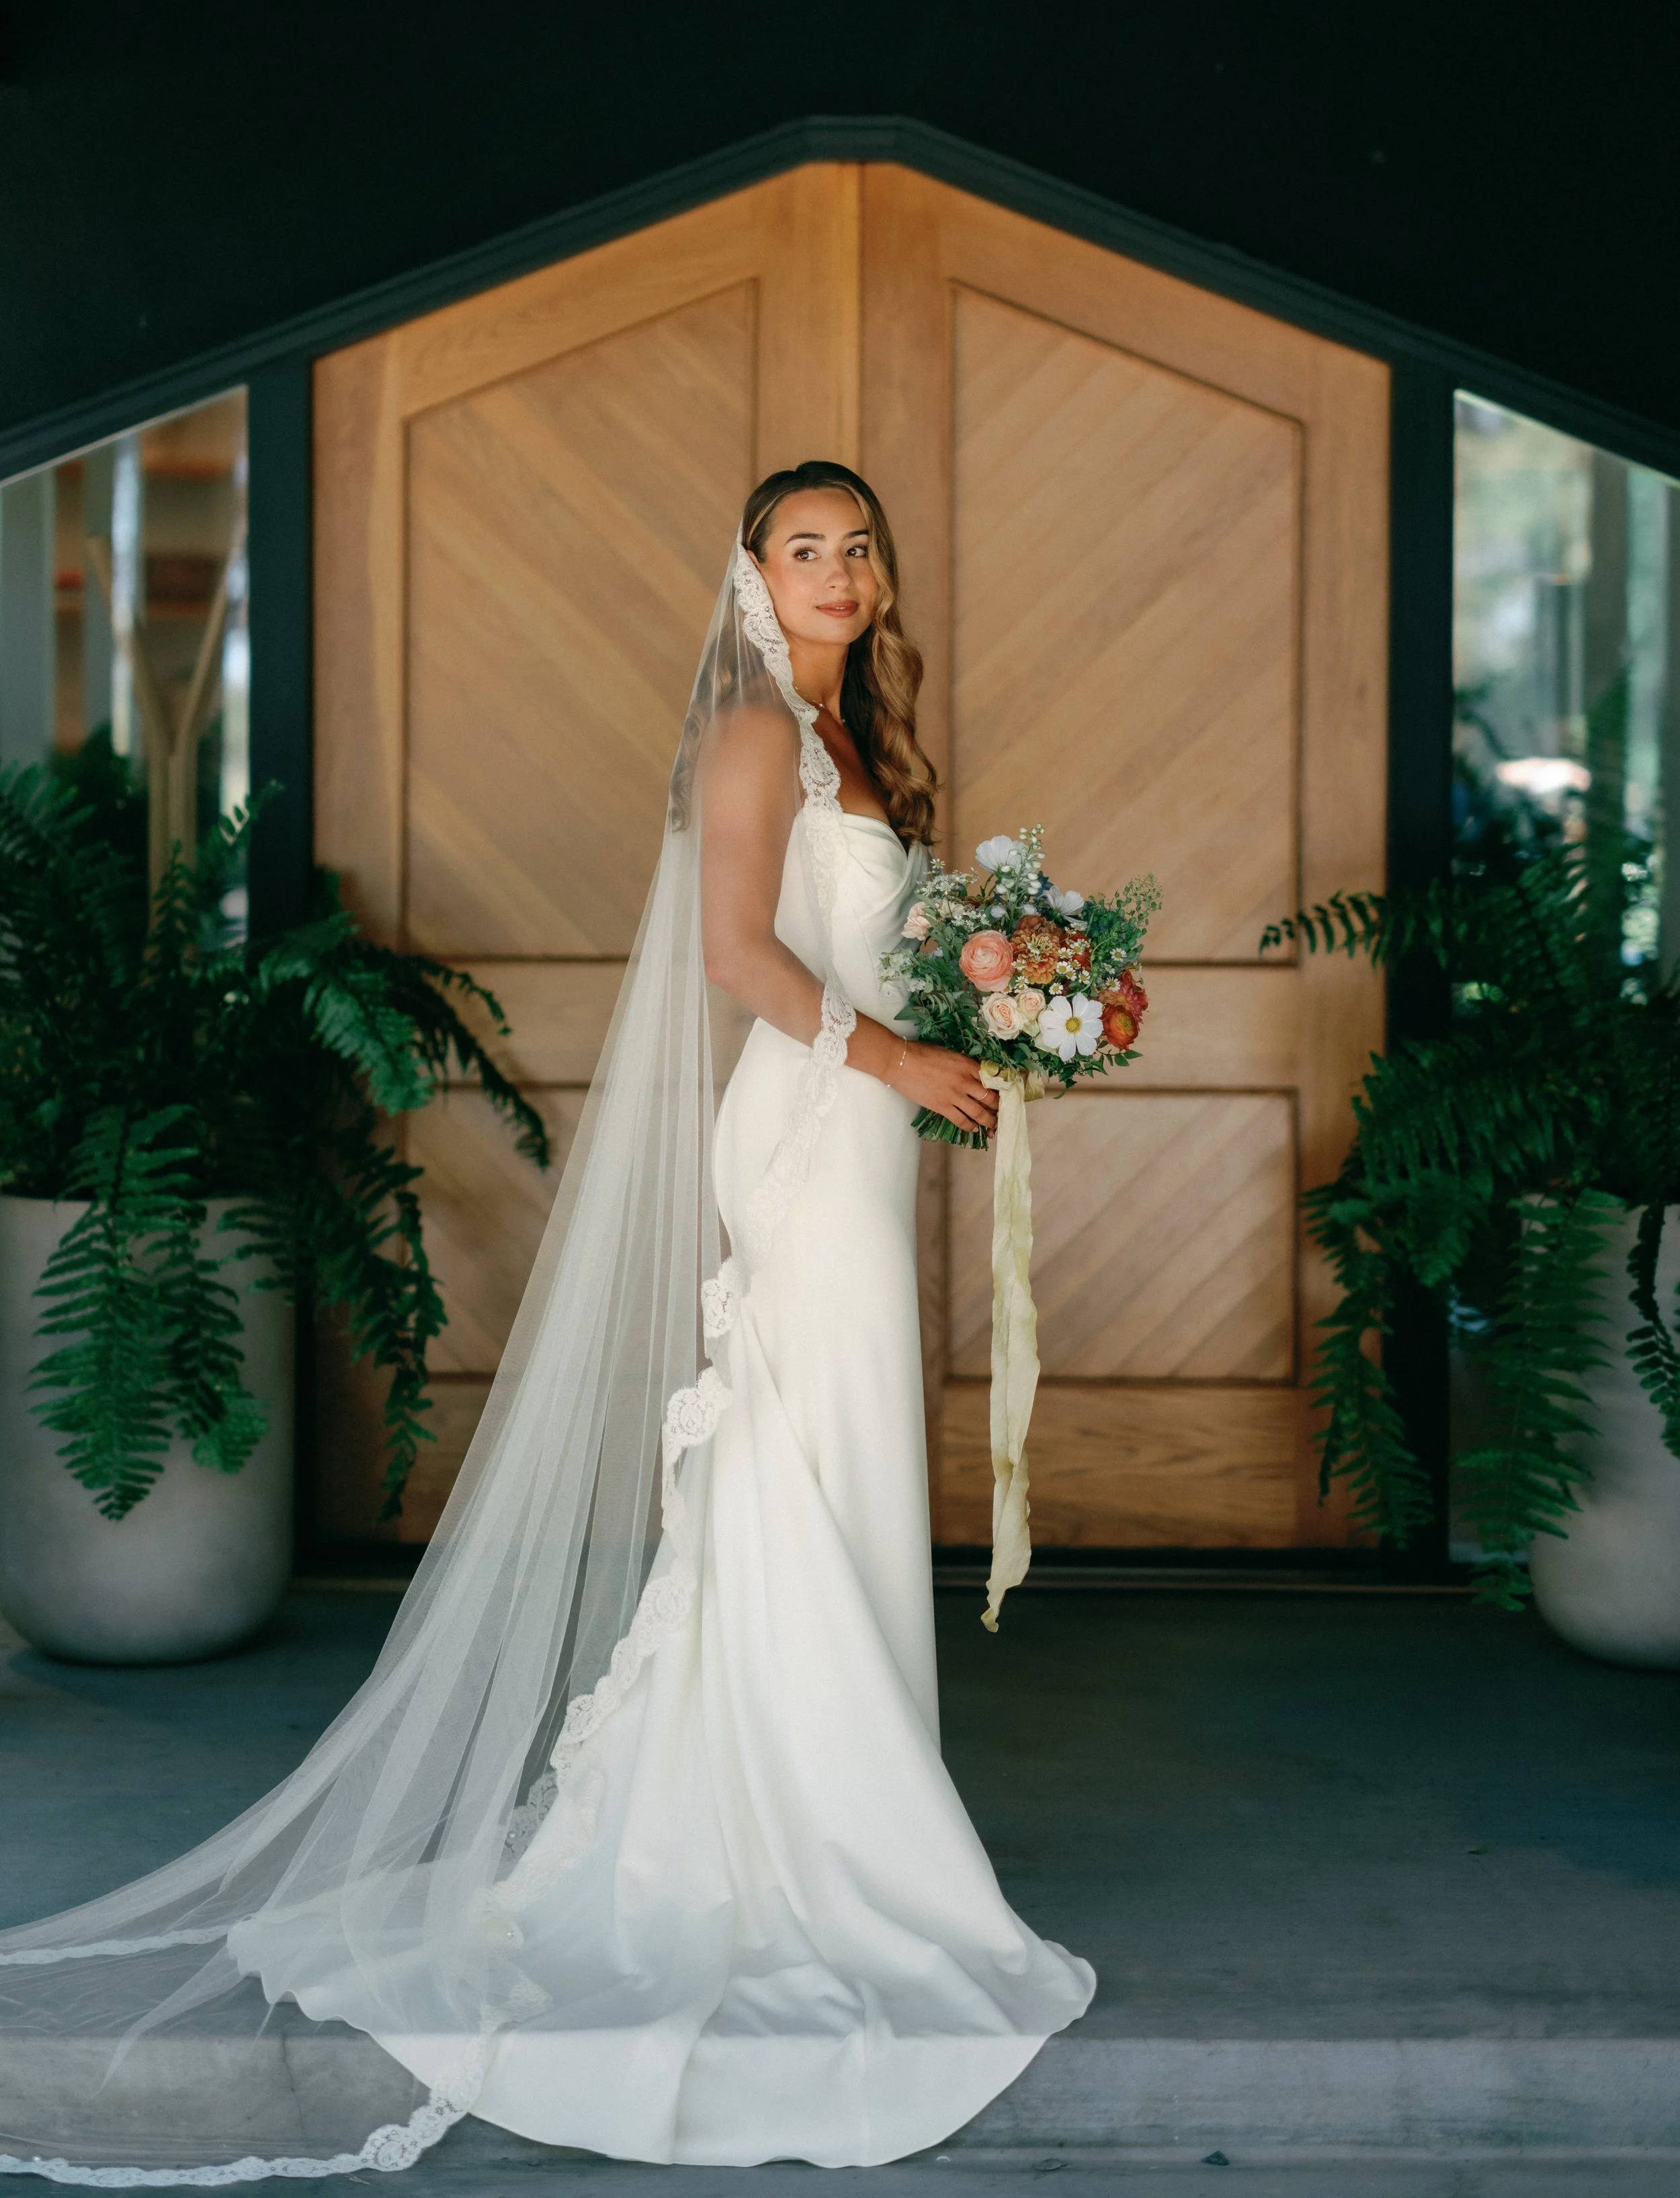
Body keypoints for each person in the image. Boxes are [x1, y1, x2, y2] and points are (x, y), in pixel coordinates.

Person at [0, 462, 1093, 2183]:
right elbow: (738, 953)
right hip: (806, 1137)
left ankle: (837, 1798)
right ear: (749, 573)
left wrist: (1019, 1005)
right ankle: (807, 1835)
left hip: (862, 1131)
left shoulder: (855, 735)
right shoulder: (757, 734)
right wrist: (895, 1059)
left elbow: (872, 952)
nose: (837, 571)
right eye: (802, 549)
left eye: (857, 547)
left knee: (845, 1450)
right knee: (798, 1448)